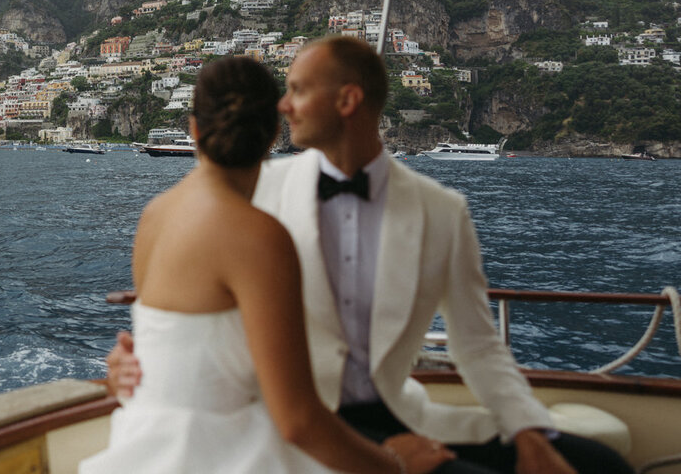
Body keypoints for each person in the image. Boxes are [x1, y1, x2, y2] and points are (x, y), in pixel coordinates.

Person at [108, 37, 633, 474]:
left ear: (347, 101)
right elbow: (192, 299)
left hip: (400, 411)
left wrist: (528, 430)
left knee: (603, 466)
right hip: (304, 422)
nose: (283, 106)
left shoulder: (441, 211)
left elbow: (478, 345)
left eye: (295, 90)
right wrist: (136, 360)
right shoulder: (255, 196)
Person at [82, 55, 454, 474]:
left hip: (143, 446)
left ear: (194, 129)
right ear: (275, 134)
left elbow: (175, 354)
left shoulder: (154, 216)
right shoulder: (260, 235)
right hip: (234, 454)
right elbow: (297, 421)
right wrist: (397, 466)